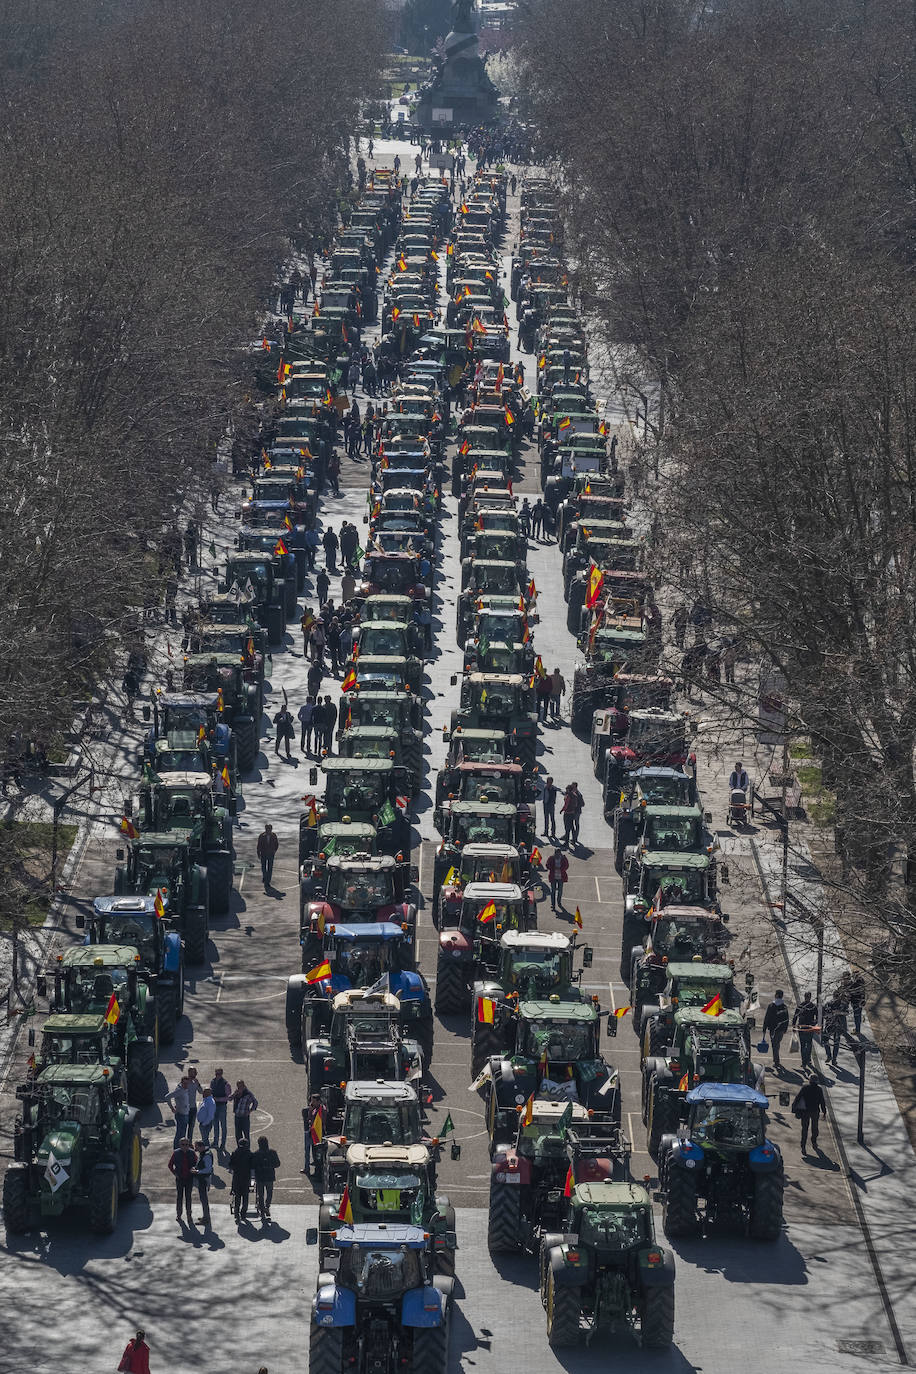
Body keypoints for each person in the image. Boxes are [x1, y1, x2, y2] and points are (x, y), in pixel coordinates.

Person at [793, 1072, 827, 1153]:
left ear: (809, 1080)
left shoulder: (805, 1088)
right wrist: (824, 1111)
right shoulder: (819, 1089)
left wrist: (794, 1108)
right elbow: (822, 1101)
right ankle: (814, 1142)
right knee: (815, 1128)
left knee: (804, 1129)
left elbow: (797, 1098)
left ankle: (803, 1146)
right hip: (815, 1111)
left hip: (805, 1111)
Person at [168, 1137, 197, 1225]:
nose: (185, 1146)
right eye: (183, 1145)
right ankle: (179, 1214)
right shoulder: (176, 1153)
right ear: (180, 1145)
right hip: (180, 1178)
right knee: (179, 1197)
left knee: (188, 1197)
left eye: (187, 1144)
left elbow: (197, 1163)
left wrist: (194, 1169)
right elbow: (170, 1165)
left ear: (189, 1145)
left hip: (189, 1178)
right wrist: (175, 1173)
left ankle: (189, 1215)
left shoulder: (192, 1153)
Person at [252, 1136, 281, 1219]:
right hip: (269, 1177)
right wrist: (269, 1166)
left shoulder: (256, 1154)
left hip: (260, 1177)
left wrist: (260, 1167)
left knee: (260, 1194)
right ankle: (267, 1206)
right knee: (269, 1193)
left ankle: (262, 1210)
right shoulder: (272, 1152)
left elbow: (253, 1165)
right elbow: (278, 1164)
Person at [762, 990, 790, 1071]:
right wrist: (785, 1028)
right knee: (777, 1043)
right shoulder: (784, 1007)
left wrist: (764, 1028)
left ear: (777, 995)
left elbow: (767, 1018)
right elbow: (787, 1018)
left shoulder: (771, 1006)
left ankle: (776, 1061)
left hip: (773, 1029)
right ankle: (776, 1059)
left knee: (775, 1044)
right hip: (781, 1029)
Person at [793, 991, 819, 1070]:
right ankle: (807, 1060)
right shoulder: (813, 1006)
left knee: (803, 1045)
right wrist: (814, 1023)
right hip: (809, 1028)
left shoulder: (801, 1006)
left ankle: (804, 1061)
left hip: (802, 1028)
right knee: (808, 1044)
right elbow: (817, 1018)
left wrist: (794, 1026)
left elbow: (795, 1017)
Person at [164, 1075, 191, 1148]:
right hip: (181, 1115)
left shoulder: (185, 1089)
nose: (186, 1085)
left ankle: (181, 1148)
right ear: (181, 1083)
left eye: (187, 1083)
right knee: (180, 1134)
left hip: (185, 1114)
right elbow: (167, 1097)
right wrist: (172, 1108)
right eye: (184, 1083)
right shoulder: (179, 1090)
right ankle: (176, 1148)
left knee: (182, 1133)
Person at [229, 1139, 253, 1221]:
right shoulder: (249, 1153)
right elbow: (252, 1165)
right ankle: (243, 1214)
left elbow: (231, 1165)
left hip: (237, 1178)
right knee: (245, 1197)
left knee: (237, 1197)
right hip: (246, 1178)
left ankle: (236, 1214)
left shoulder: (234, 1153)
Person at [822, 997, 849, 1067]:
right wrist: (830, 1015)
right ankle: (829, 1055)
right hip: (829, 1025)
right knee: (825, 1040)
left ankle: (834, 1059)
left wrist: (839, 1012)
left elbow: (847, 1013)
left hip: (838, 1026)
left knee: (836, 1043)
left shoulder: (843, 1005)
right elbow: (824, 1014)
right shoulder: (828, 1004)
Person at [193, 1137, 214, 1228]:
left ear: (200, 1147)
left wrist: (197, 1172)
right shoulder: (204, 1153)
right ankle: (205, 1216)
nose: (195, 1149)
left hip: (203, 1179)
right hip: (203, 1179)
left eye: (196, 1147)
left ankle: (206, 1218)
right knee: (203, 1199)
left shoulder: (206, 1155)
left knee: (204, 1199)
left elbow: (208, 1169)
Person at [210, 1068, 232, 1151]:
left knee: (223, 1126)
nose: (217, 1075)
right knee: (215, 1125)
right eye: (216, 1074)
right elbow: (211, 1092)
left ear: (222, 1074)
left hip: (222, 1106)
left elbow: (228, 1097)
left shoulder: (226, 1084)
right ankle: (215, 1142)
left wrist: (218, 1099)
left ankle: (223, 1144)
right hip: (214, 1106)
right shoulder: (212, 1082)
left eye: (219, 1074)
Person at [839, 970, 866, 1035]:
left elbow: (849, 992)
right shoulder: (861, 981)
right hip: (860, 1001)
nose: (852, 977)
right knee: (858, 1016)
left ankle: (857, 1030)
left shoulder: (855, 984)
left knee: (857, 1016)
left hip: (856, 1002)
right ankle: (857, 1029)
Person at [303, 1093, 324, 1174]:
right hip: (311, 1132)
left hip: (316, 1133)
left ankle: (317, 1171)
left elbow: (313, 1120)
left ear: (318, 1101)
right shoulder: (313, 1109)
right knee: (308, 1151)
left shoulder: (321, 1110)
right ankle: (307, 1168)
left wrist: (310, 1112)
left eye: (313, 1101)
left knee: (316, 1153)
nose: (311, 1103)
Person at [232, 1080, 259, 1144]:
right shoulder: (237, 1092)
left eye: (240, 1086)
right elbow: (230, 1098)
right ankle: (239, 1148)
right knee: (238, 1135)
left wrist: (250, 1110)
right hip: (237, 1116)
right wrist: (234, 1094)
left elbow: (255, 1102)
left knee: (246, 1135)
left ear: (243, 1086)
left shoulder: (248, 1094)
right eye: (238, 1086)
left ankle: (247, 1150)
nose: (239, 1088)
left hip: (245, 1117)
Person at [546, 848, 569, 912]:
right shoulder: (551, 858)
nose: (557, 855)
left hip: (561, 878)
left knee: (560, 891)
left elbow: (566, 866)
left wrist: (560, 868)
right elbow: (547, 865)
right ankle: (553, 905)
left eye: (558, 853)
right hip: (553, 877)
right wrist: (553, 868)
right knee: (553, 891)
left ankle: (559, 902)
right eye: (556, 853)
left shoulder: (564, 858)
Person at [561, 782, 584, 847]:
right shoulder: (575, 795)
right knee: (572, 827)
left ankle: (567, 841)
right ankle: (573, 839)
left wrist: (562, 810)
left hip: (571, 812)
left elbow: (566, 804)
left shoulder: (574, 795)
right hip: (573, 812)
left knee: (569, 827)